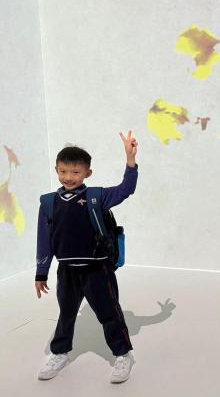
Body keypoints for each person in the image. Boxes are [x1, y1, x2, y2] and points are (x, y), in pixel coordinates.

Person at [35, 131, 138, 383]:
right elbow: (44, 240)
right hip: (67, 270)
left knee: (109, 313)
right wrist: (41, 273)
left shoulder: (96, 197)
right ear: (56, 170)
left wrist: (130, 161)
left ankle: (122, 354)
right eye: (63, 171)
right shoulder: (48, 202)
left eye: (75, 172)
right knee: (66, 313)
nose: (68, 177)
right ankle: (60, 353)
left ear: (87, 173)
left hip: (97, 269)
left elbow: (126, 189)